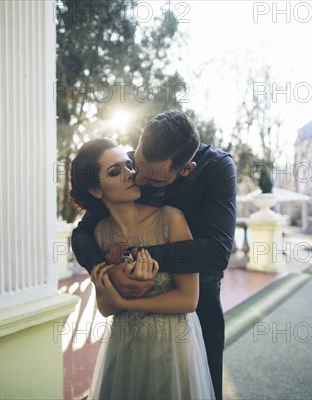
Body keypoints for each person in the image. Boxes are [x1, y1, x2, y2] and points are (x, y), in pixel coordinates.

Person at [72, 110, 237, 399]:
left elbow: (216, 251)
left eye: (155, 180)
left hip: (198, 301)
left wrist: (129, 258)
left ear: (185, 170)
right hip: (128, 326)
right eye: (137, 165)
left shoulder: (218, 170)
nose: (139, 180)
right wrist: (106, 271)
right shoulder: (129, 169)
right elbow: (82, 233)